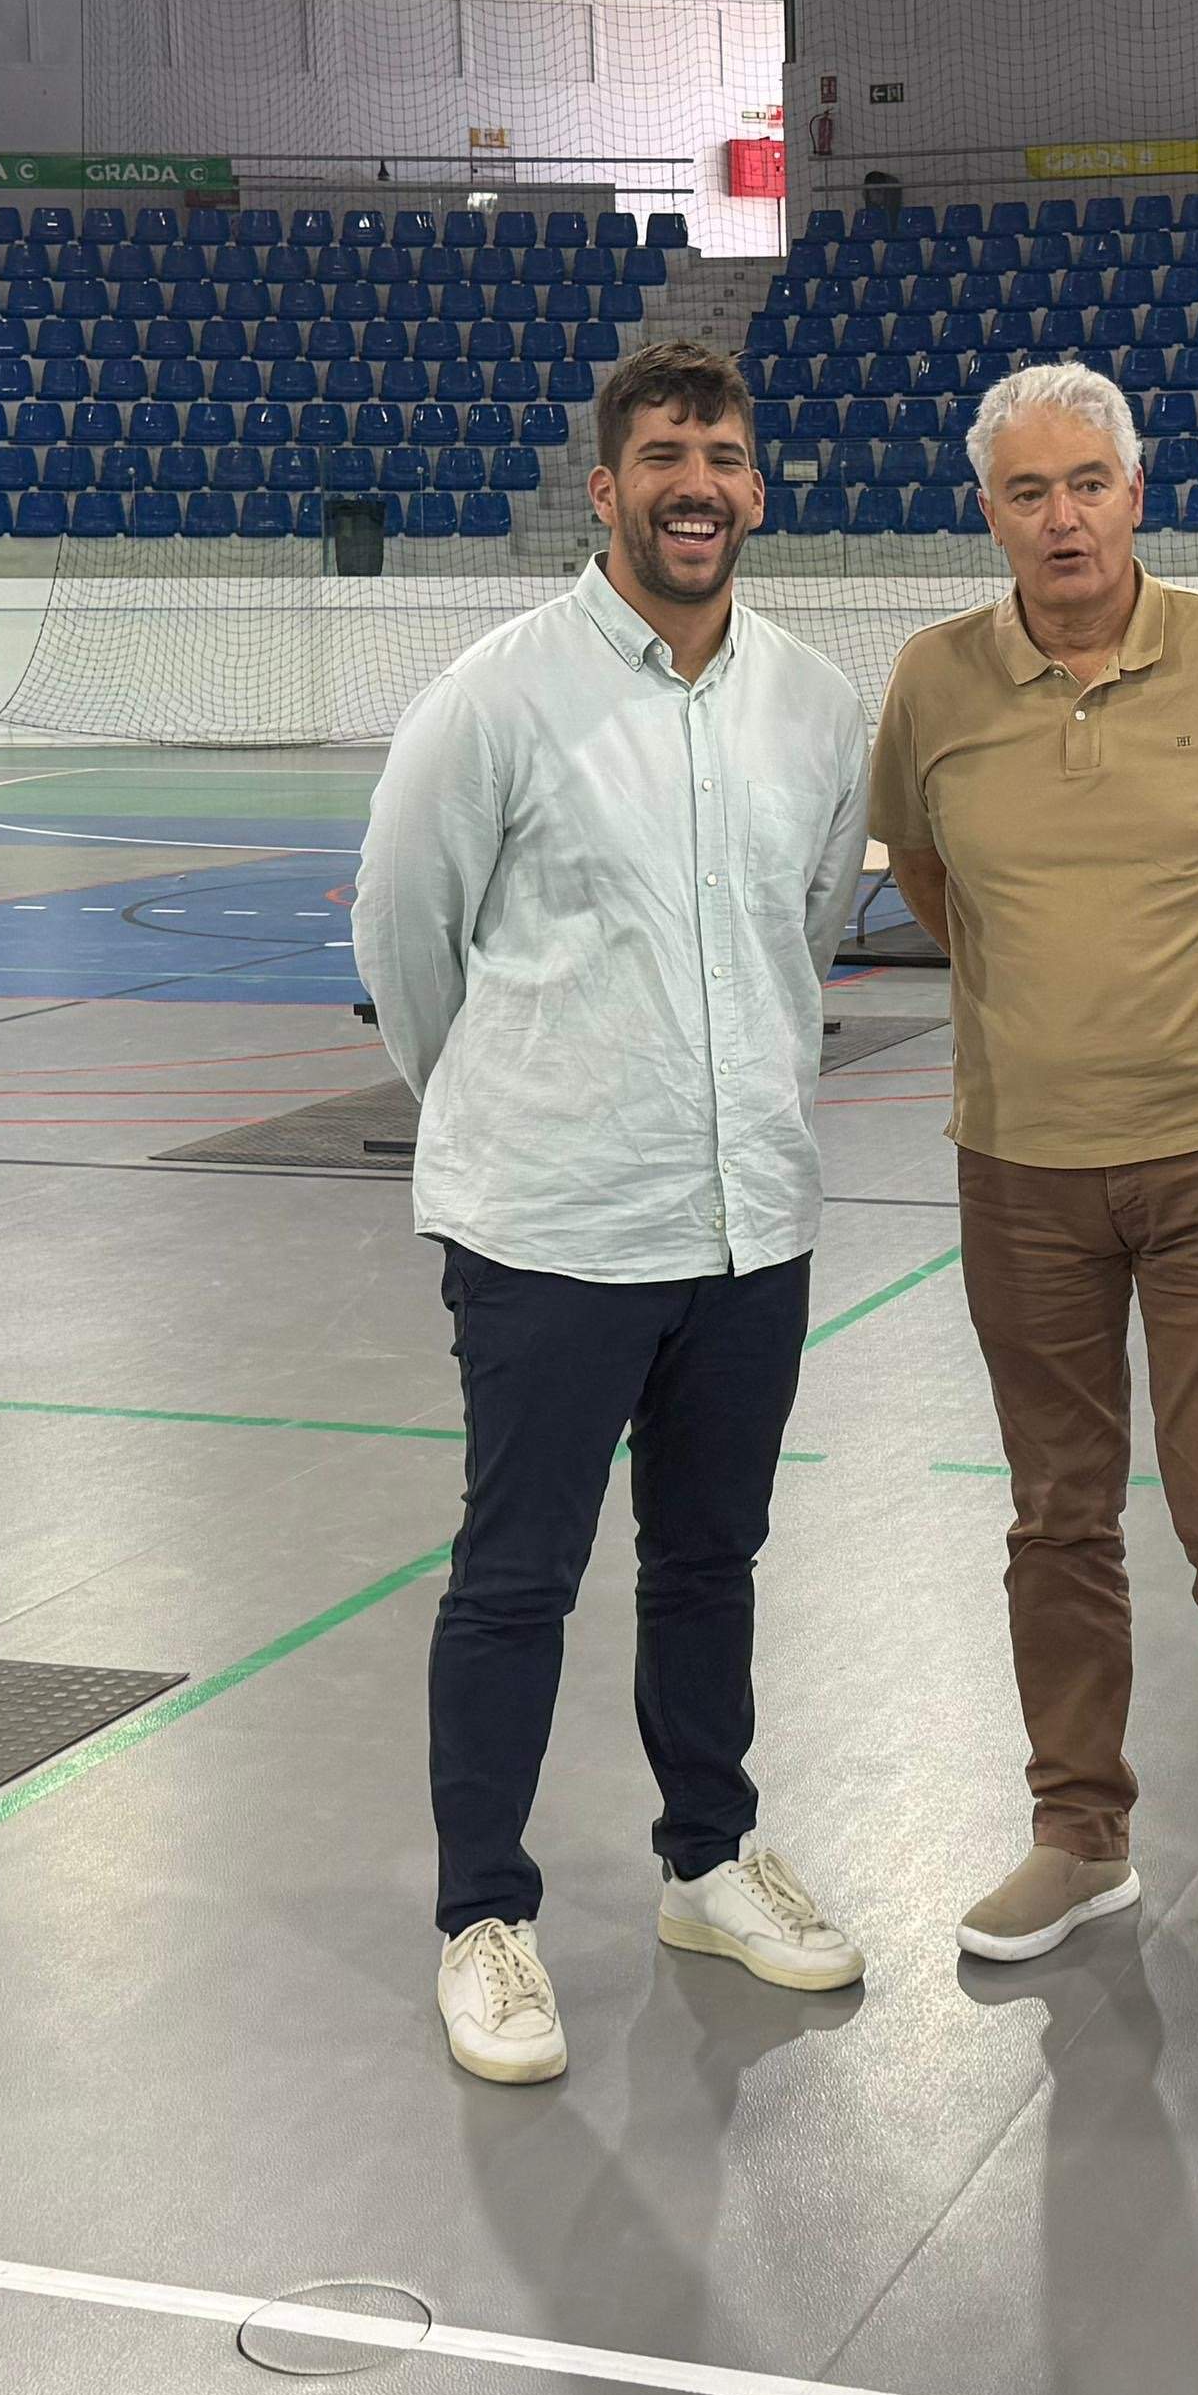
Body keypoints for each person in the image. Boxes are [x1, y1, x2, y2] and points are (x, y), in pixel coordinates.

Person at [355, 339, 872, 2086]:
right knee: (516, 1580)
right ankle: (482, 1921)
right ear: (605, 488)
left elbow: (805, 928)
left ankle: (708, 1862)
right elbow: (403, 938)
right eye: (662, 457)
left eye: (721, 456)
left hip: (747, 1224)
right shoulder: (496, 697)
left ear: (756, 486)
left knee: (710, 1562)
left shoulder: (816, 703)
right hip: (552, 1227)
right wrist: (520, 1110)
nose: (695, 486)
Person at [871, 359, 1198, 2000]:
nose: (1062, 517)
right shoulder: (933, 681)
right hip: (1020, 1169)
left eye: (1088, 484)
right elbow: (929, 878)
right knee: (1057, 1515)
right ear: (989, 514)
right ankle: (1079, 1833)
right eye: (1029, 491)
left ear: (1136, 495)